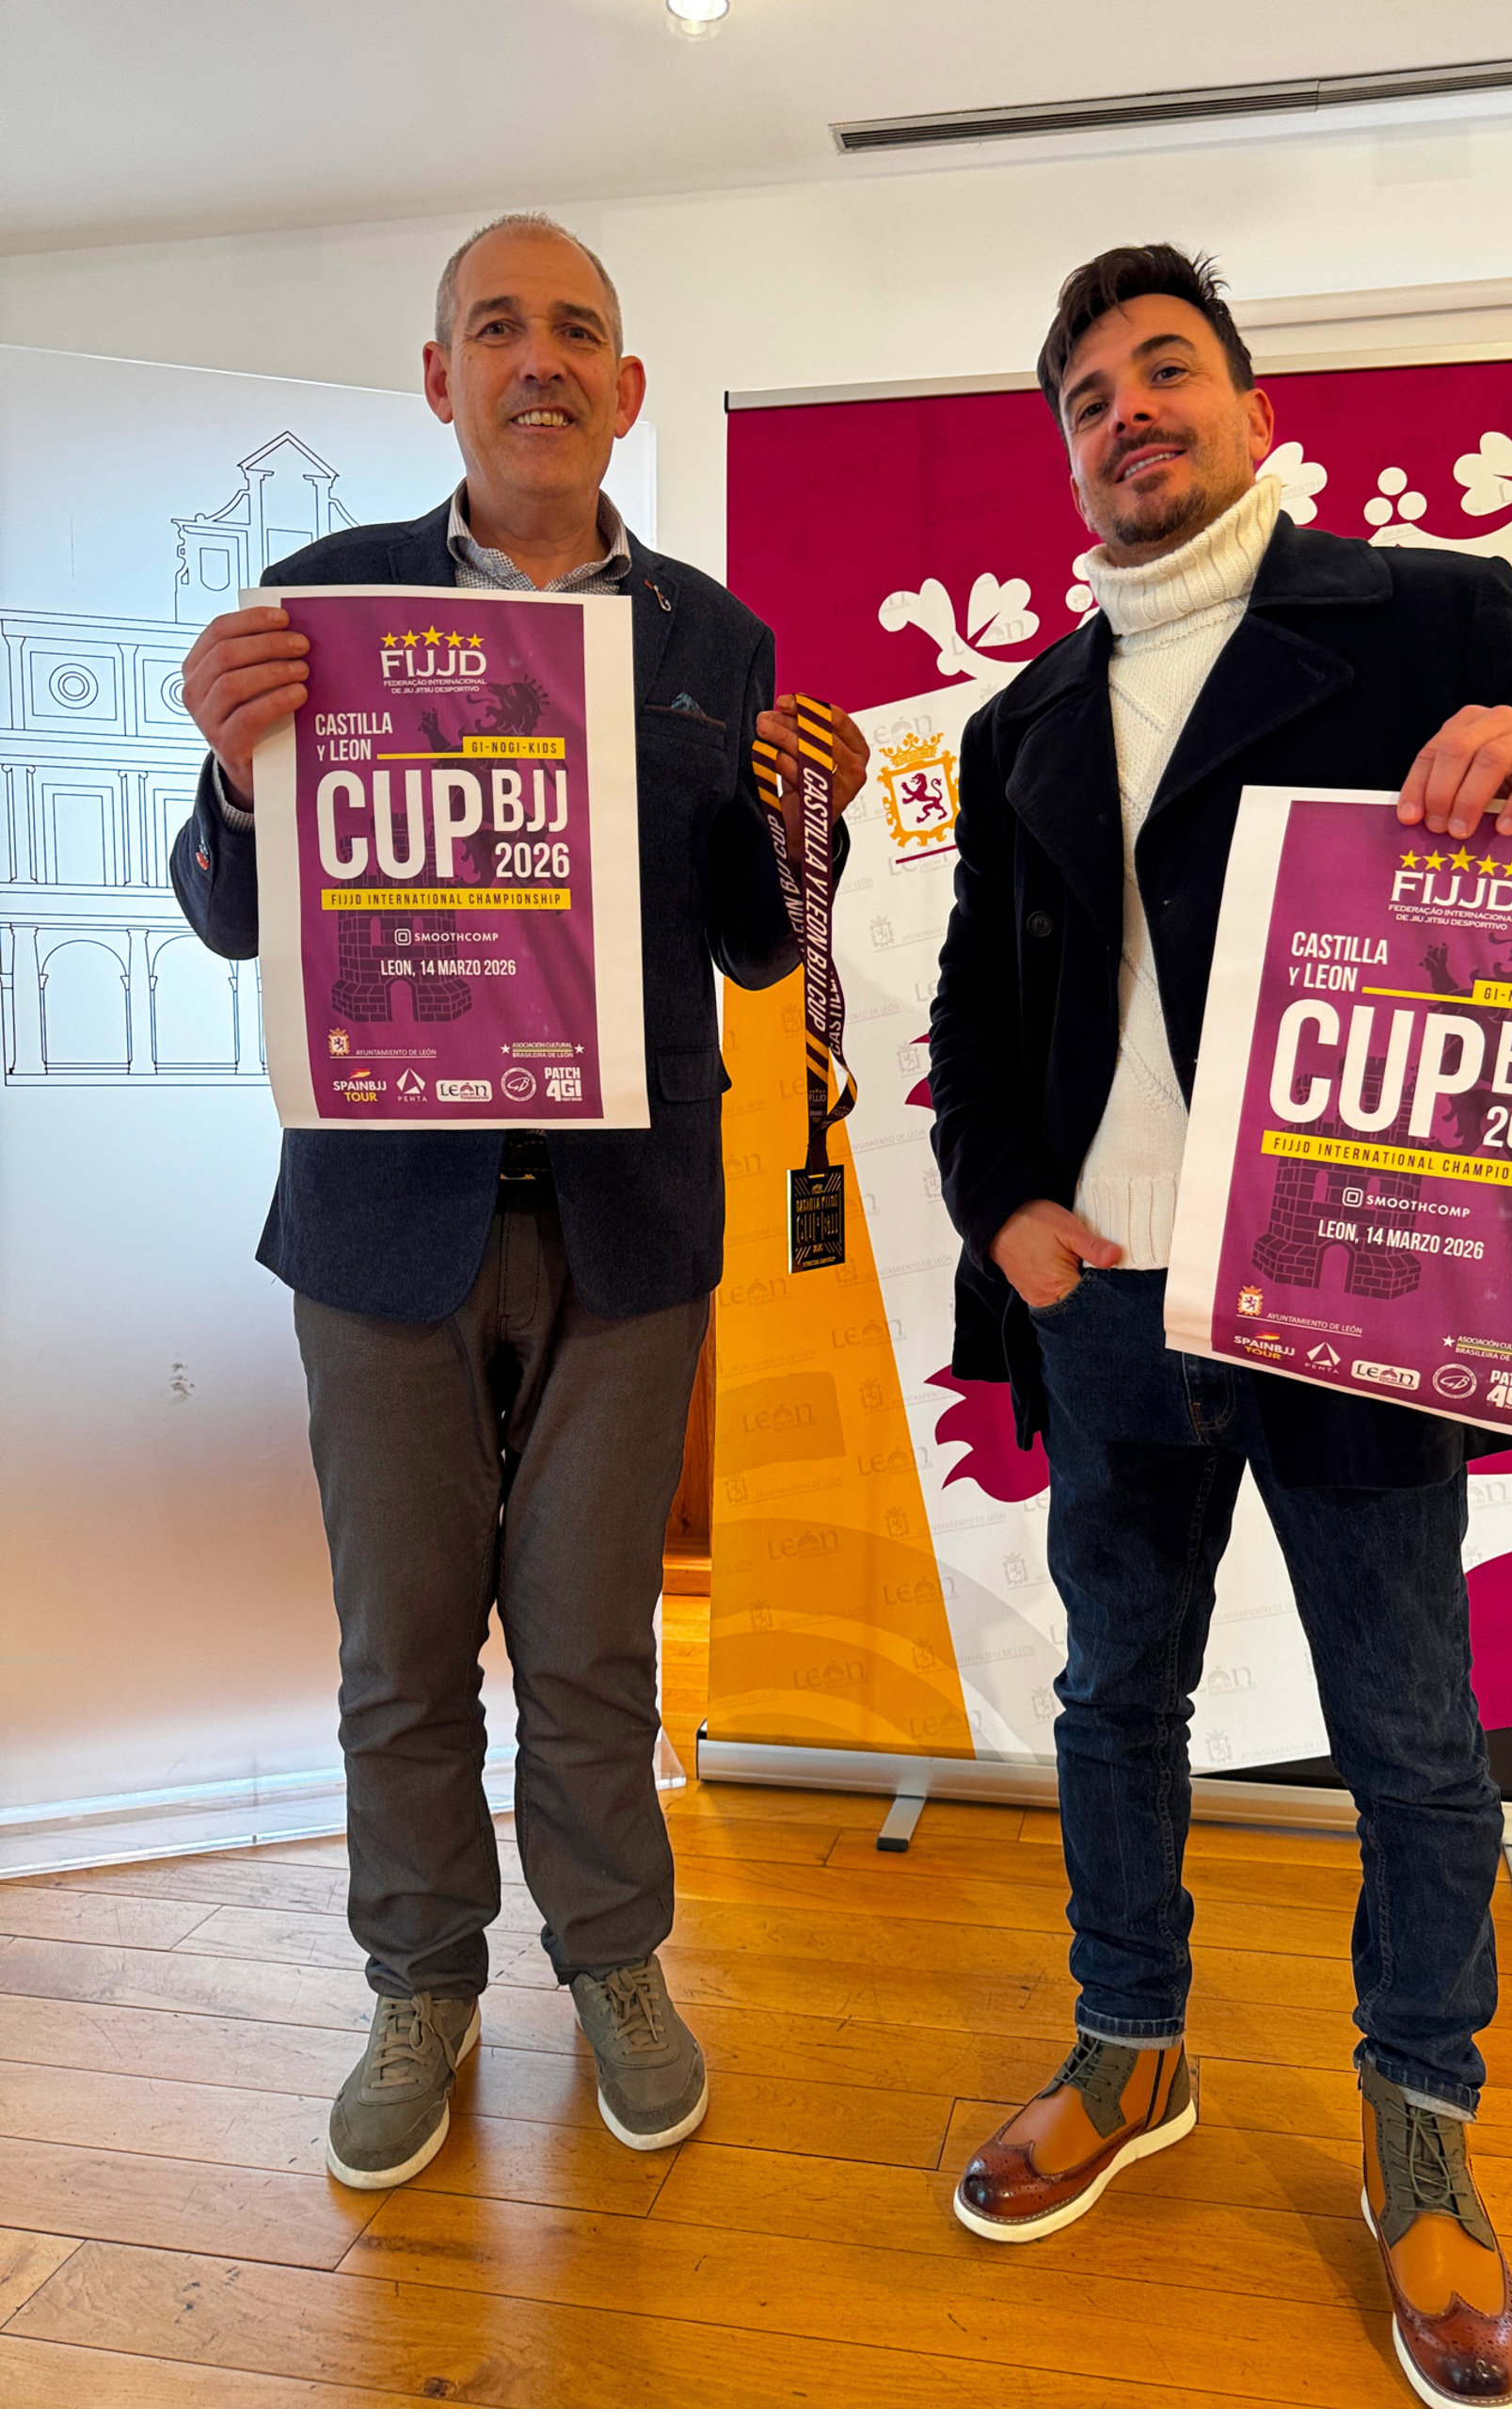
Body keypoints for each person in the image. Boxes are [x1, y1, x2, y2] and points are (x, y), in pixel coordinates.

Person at [929, 244, 1512, 2407]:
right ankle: (1131, 2044)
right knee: (1114, 1697)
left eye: (1165, 369)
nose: (1129, 412)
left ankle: (1423, 2127)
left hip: (1353, 1285)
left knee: (1413, 1734)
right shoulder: (1025, 718)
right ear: (1071, 455)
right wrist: (1007, 1209)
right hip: (1109, 1298)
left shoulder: (1428, 616)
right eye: (1088, 395)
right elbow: (973, 1009)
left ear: (1256, 412)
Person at [173, 213, 865, 2193]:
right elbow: (230, 917)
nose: (538, 359)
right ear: (441, 378)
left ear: (627, 390)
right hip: (378, 1221)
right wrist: (236, 776)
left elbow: (752, 949)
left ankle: (615, 1959)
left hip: (628, 1229)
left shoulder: (714, 639)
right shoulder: (321, 604)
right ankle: (421, 1980)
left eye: (576, 331)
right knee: (400, 1648)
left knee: (590, 1645)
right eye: (499, 327)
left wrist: (803, 827)